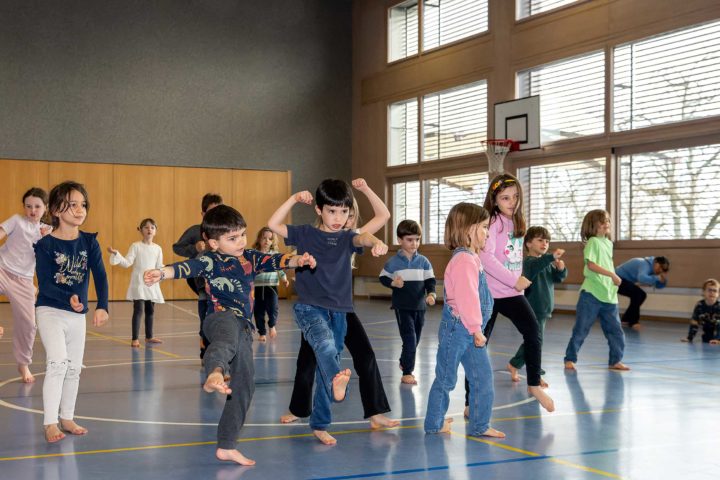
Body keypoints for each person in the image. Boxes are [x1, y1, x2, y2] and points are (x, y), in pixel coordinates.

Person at [144, 204, 314, 465]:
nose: (241, 242)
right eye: (232, 238)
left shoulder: (250, 257)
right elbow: (185, 267)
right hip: (219, 319)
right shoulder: (209, 260)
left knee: (245, 384)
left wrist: (297, 260)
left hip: (244, 327)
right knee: (225, 341)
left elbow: (276, 259)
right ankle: (214, 371)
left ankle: (227, 444)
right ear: (213, 242)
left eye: (243, 235)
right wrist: (162, 273)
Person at [268, 178, 388, 445]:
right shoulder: (306, 234)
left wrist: (375, 239)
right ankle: (300, 409)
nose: (338, 217)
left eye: (344, 212)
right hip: (312, 309)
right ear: (319, 210)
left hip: (341, 310)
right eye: (332, 211)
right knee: (310, 360)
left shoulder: (347, 236)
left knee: (360, 355)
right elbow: (273, 225)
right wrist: (292, 199)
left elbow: (368, 232)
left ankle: (372, 411)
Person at [34, 181, 109, 443]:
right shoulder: (44, 245)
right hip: (50, 310)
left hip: (77, 315)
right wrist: (70, 297)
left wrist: (102, 305)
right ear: (55, 209)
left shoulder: (89, 242)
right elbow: (45, 284)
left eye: (83, 204)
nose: (80, 210)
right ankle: (50, 422)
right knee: (57, 363)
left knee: (74, 368)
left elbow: (100, 276)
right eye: (72, 204)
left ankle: (67, 416)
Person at [475, 173, 554, 412]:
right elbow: (485, 257)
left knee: (533, 331)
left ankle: (533, 383)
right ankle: (471, 401)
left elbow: (513, 257)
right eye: (505, 197)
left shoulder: (516, 224)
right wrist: (514, 280)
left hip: (510, 294)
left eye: (516, 197)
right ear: (495, 200)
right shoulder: (493, 222)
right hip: (490, 293)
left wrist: (516, 281)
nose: (512, 202)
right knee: (478, 345)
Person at [424, 202, 504, 438]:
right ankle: (434, 422)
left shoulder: (473, 258)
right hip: (459, 329)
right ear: (469, 229)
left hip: (470, 330)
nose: (487, 233)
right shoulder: (464, 261)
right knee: (446, 378)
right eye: (483, 227)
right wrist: (476, 329)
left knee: (482, 378)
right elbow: (468, 298)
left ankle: (480, 424)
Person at [564, 210, 629, 371]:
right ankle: (570, 359)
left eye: (607, 220)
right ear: (593, 225)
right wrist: (612, 275)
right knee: (581, 329)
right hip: (591, 295)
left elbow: (606, 263)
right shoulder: (593, 242)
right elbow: (591, 265)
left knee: (616, 332)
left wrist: (611, 280)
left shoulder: (609, 243)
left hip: (609, 296)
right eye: (602, 221)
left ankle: (615, 361)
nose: (606, 223)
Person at [0, 187, 52, 383]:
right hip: (2, 267)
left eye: (37, 206)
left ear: (45, 208)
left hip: (23, 281)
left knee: (29, 325)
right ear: (23, 207)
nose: (32, 210)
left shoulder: (47, 231)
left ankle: (23, 363)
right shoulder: (17, 220)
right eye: (28, 206)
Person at [507, 226, 567, 385]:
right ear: (528, 244)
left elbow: (556, 278)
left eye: (547, 241)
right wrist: (551, 257)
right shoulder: (528, 262)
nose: (545, 244)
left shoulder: (545, 263)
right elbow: (534, 268)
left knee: (533, 340)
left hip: (544, 309)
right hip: (534, 308)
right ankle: (536, 373)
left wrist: (561, 270)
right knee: (535, 341)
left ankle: (514, 364)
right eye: (540, 240)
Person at [379, 219, 436, 385]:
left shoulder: (424, 262)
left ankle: (404, 360)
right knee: (409, 339)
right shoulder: (393, 262)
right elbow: (383, 277)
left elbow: (430, 281)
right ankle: (407, 372)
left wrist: (431, 294)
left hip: (420, 307)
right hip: (402, 307)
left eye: (417, 239)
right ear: (400, 240)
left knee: (415, 340)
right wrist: (393, 283)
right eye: (410, 240)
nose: (414, 243)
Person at [173, 193, 223, 359]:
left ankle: (219, 353)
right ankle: (206, 350)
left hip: (221, 282)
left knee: (221, 319)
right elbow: (177, 247)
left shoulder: (225, 231)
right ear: (203, 214)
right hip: (201, 282)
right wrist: (195, 247)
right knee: (206, 316)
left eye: (219, 210)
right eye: (211, 211)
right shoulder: (196, 231)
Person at [107, 218, 165, 347]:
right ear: (141, 230)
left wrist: (162, 273)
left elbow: (159, 266)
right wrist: (116, 254)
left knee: (150, 310)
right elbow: (127, 263)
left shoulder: (158, 249)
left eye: (152, 227)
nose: (149, 229)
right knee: (138, 310)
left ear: (155, 231)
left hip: (151, 283)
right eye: (146, 227)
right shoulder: (136, 246)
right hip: (139, 283)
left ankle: (149, 336)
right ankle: (135, 338)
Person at [251, 227, 289, 342]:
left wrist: (284, 279)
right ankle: (262, 332)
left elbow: (280, 269)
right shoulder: (254, 255)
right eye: (264, 238)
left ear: (273, 241)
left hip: (271, 286)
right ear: (259, 239)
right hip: (257, 288)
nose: (267, 241)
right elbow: (249, 269)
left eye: (270, 239)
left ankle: (272, 325)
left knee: (272, 309)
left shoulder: (274, 255)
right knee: (258, 312)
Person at [615, 256, 670, 330]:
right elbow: (641, 278)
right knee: (637, 294)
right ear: (656, 263)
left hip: (622, 280)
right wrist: (657, 278)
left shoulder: (650, 268)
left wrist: (660, 281)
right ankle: (633, 321)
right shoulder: (645, 264)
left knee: (642, 295)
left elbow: (654, 284)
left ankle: (626, 319)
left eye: (663, 270)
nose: (660, 271)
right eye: (661, 267)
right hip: (616, 279)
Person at [682, 278, 720, 344]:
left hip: (718, 331)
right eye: (709, 290)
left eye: (715, 291)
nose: (712, 293)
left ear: (718, 294)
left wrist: (718, 339)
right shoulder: (699, 305)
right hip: (707, 333)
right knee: (706, 339)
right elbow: (694, 322)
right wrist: (689, 338)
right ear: (703, 292)